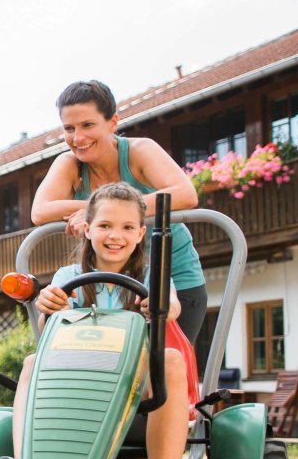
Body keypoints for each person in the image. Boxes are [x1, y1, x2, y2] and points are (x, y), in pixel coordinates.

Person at [11, 182, 198, 459]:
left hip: (136, 387)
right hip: (77, 381)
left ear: (140, 234)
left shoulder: (153, 277)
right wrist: (49, 307)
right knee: (32, 362)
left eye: (127, 227)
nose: (115, 235)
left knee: (169, 359)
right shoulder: (67, 277)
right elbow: (49, 326)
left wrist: (158, 306)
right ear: (87, 229)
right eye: (105, 226)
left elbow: (172, 306)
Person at [31, 79, 208, 348]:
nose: (77, 138)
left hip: (167, 278)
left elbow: (185, 194)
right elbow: (40, 211)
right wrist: (96, 209)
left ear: (113, 123)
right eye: (69, 128)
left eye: (88, 125)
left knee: (165, 366)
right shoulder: (69, 164)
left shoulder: (139, 151)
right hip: (104, 285)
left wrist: (104, 211)